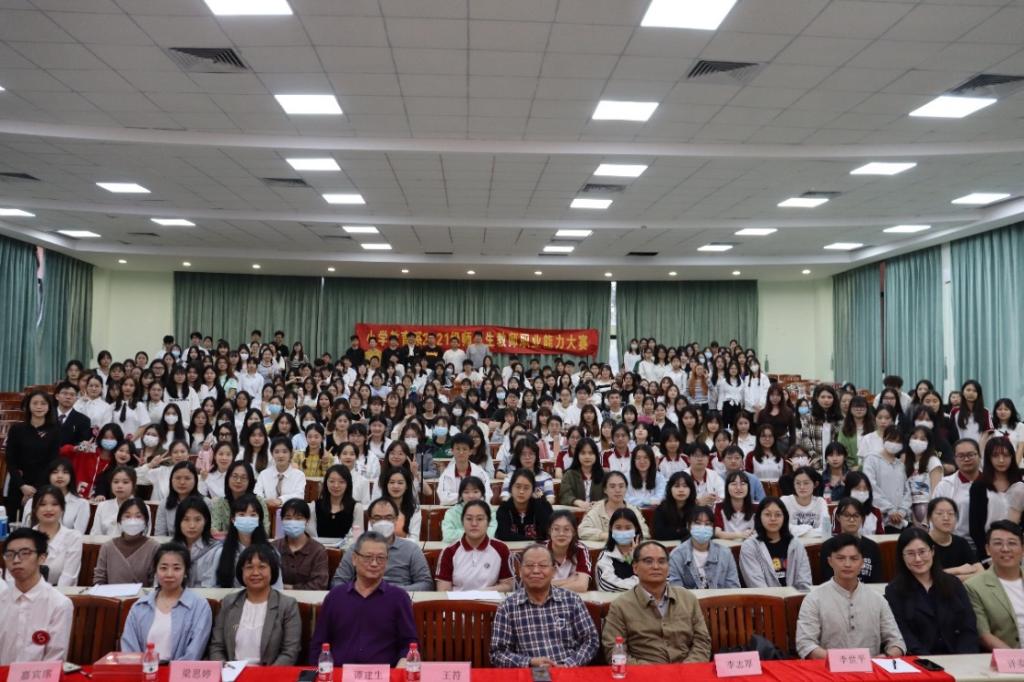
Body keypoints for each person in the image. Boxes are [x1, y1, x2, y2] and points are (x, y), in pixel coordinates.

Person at [312, 531, 418, 666]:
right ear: (354, 559)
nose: (374, 563)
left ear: (387, 561)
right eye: (368, 557)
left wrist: (402, 663)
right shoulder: (335, 597)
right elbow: (318, 644)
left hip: (384, 674)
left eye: (380, 558)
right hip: (339, 673)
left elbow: (409, 643)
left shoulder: (399, 598)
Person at [796, 533, 906, 659]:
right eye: (840, 558)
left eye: (854, 559)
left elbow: (897, 642)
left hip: (871, 668)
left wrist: (885, 657)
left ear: (862, 563)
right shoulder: (814, 599)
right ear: (830, 561)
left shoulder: (877, 599)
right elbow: (805, 644)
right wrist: (840, 661)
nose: (847, 564)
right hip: (828, 668)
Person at [490, 544, 600, 668]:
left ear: (553, 571)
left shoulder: (571, 600)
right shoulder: (507, 607)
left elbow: (591, 641)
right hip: (529, 673)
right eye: (529, 565)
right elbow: (497, 653)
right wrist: (529, 662)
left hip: (569, 672)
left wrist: (567, 665)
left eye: (543, 565)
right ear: (520, 571)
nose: (536, 571)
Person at [602, 541, 712, 664]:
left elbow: (702, 641)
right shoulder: (621, 606)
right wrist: (653, 672)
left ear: (668, 568)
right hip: (643, 672)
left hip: (687, 670)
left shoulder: (688, 599)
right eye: (648, 561)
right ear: (635, 567)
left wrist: (686, 669)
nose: (656, 567)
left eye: (661, 561)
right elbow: (613, 651)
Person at [884, 528, 979, 655]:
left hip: (961, 658)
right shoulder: (894, 591)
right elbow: (904, 634)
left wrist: (963, 657)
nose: (918, 559)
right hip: (920, 660)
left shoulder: (953, 584)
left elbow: (968, 626)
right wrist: (927, 662)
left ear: (932, 551)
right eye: (910, 553)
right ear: (902, 557)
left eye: (922, 552)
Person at [209, 544, 302, 664]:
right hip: (231, 672)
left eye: (262, 567)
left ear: (272, 570)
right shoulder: (229, 602)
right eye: (249, 567)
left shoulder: (287, 605)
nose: (255, 573)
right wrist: (226, 669)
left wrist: (265, 674)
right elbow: (217, 646)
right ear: (241, 571)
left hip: (270, 673)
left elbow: (290, 652)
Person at [120, 543, 214, 660]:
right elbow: (129, 651)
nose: (169, 574)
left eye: (177, 568)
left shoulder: (200, 606)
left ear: (185, 572)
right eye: (163, 568)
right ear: (155, 570)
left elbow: (194, 653)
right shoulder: (139, 607)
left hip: (180, 671)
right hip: (143, 669)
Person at [0, 528, 73, 664]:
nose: (16, 560)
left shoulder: (59, 604)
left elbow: (54, 659)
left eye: (25, 553)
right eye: (9, 554)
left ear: (42, 558)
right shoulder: (2, 599)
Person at [331, 498, 434, 591]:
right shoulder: (356, 548)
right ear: (370, 521)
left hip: (399, 599)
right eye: (377, 518)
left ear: (396, 519)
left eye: (389, 518)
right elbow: (337, 582)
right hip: (364, 599)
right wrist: (360, 591)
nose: (383, 522)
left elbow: (426, 584)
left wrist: (393, 592)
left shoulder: (411, 549)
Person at [966, 520, 1024, 650]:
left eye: (1012, 543)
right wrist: (1015, 658)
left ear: (1022, 549)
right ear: (987, 549)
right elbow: (984, 634)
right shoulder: (974, 587)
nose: (1005, 549)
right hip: (1007, 657)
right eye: (998, 543)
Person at [435, 500, 515, 592]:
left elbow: (508, 586)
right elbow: (443, 590)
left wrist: (482, 593)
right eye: (469, 519)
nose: (474, 524)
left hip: (490, 600)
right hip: (458, 600)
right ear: (462, 521)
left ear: (488, 522)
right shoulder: (449, 551)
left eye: (480, 519)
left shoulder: (501, 549)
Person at [4, 391, 60, 520]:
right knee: (14, 522)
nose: (39, 407)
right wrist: (22, 486)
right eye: (35, 403)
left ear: (49, 407)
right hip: (18, 483)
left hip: (42, 485)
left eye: (43, 403)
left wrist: (34, 490)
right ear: (28, 406)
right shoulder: (17, 429)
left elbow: (52, 462)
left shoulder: (55, 431)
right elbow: (10, 460)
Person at [738, 497, 812, 591]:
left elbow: (805, 583)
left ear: (784, 517)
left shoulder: (796, 544)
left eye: (778, 515)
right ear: (759, 517)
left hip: (795, 598)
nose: (773, 519)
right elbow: (757, 585)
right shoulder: (750, 546)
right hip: (764, 599)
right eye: (767, 514)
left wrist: (793, 598)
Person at [968, 436, 1024, 557]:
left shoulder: (1020, 485)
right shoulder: (979, 486)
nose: (1001, 460)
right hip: (988, 550)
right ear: (989, 458)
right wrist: (987, 552)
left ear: (1012, 457)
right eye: (995, 456)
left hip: (1015, 549)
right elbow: (975, 527)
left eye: (1006, 455)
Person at [668, 506, 740, 589]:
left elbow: (733, 587)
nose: (702, 527)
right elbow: (676, 591)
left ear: (712, 527)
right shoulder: (676, 555)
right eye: (697, 523)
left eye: (707, 524)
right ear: (688, 526)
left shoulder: (725, 554)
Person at [94, 497, 160, 585]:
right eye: (127, 516)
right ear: (119, 520)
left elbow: (155, 582)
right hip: (111, 593)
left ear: (146, 521)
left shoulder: (154, 547)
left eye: (138, 516)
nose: (132, 521)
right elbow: (99, 580)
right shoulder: (107, 547)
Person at [29, 486, 82, 586]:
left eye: (54, 504)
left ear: (62, 508)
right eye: (42, 504)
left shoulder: (73, 537)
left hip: (60, 593)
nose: (49, 509)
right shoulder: (26, 537)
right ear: (34, 509)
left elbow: (68, 577)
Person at [820, 498, 883, 583]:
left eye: (856, 516)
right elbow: (827, 580)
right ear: (838, 517)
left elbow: (877, 580)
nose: (852, 520)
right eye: (847, 515)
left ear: (862, 518)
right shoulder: (828, 546)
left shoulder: (872, 547)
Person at [931, 438, 982, 541]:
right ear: (954, 458)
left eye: (971, 455)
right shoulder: (945, 485)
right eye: (961, 456)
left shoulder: (992, 482)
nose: (966, 459)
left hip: (988, 542)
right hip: (955, 542)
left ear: (979, 456)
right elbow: (934, 516)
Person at [273, 499, 329, 590]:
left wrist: (290, 588)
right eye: (288, 518)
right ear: (282, 520)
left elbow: (320, 584)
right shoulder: (273, 547)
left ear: (307, 520)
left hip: (308, 598)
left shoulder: (318, 550)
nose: (293, 522)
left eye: (298, 518)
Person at [578, 471, 650, 542]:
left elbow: (645, 532)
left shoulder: (633, 510)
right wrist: (608, 536)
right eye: (612, 486)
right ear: (605, 490)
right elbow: (582, 530)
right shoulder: (596, 509)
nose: (617, 490)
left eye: (621, 486)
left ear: (626, 489)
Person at [927, 497, 983, 580]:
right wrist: (958, 570)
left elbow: (981, 572)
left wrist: (948, 576)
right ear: (929, 518)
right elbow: (926, 577)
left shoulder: (961, 542)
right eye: (939, 513)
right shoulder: (923, 542)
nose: (946, 518)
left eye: (951, 513)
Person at [172, 496, 223, 588]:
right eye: (186, 519)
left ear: (206, 521)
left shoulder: (216, 551)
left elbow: (212, 586)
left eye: (197, 520)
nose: (192, 526)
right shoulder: (169, 550)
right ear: (178, 522)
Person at [310, 464, 364, 547]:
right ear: (326, 483)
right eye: (332, 481)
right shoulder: (314, 506)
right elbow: (311, 535)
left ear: (348, 484)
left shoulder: (356, 507)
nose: (336, 485)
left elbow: (357, 538)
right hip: (319, 549)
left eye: (341, 482)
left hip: (345, 550)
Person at [495, 468, 552, 542]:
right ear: (511, 488)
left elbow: (547, 533)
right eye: (518, 487)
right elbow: (503, 535)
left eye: (526, 488)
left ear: (532, 490)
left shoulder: (543, 507)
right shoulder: (504, 508)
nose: (521, 491)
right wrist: (533, 540)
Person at [596, 508, 645, 592]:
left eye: (628, 528)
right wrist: (643, 584)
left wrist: (637, 558)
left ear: (636, 528)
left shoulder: (647, 551)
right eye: (618, 528)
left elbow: (661, 579)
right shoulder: (606, 555)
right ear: (611, 528)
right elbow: (607, 585)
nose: (623, 531)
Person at [544, 510, 592, 593]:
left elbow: (582, 586)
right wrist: (569, 580)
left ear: (574, 532)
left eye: (566, 529)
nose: (561, 534)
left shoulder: (581, 549)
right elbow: (536, 585)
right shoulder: (540, 550)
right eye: (556, 529)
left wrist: (551, 586)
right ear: (549, 531)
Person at [437, 433, 491, 505]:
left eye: (465, 449)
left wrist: (459, 497)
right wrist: (471, 496)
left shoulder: (480, 473)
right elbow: (444, 499)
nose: (461, 452)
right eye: (458, 449)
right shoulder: (446, 474)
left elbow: (487, 496)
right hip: (453, 510)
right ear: (452, 451)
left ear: (470, 451)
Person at [441, 476, 497, 543]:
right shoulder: (451, 513)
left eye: (475, 492)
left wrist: (461, 533)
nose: (471, 496)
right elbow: (448, 536)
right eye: (466, 492)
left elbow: (490, 535)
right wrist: (477, 533)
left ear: (482, 493)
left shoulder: (491, 511)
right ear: (461, 495)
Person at [782, 466, 831, 537]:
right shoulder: (785, 501)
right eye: (798, 483)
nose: (802, 487)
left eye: (806, 483)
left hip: (815, 542)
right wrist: (810, 529)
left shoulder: (820, 502)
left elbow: (826, 528)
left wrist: (797, 531)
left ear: (815, 484)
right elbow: (783, 527)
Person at [653, 471, 695, 541]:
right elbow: (658, 534)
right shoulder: (661, 509)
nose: (681, 490)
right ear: (670, 489)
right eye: (677, 486)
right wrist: (686, 530)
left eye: (685, 486)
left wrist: (677, 531)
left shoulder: (696, 509)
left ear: (691, 489)